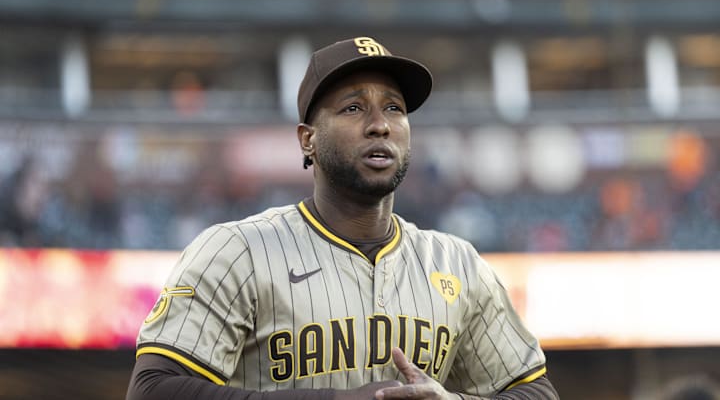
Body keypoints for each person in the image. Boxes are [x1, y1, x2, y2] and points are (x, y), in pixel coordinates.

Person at [126, 36, 559, 400]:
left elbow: (537, 392)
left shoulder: (458, 263)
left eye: (394, 108)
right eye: (353, 108)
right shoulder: (236, 251)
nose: (380, 125)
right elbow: (152, 388)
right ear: (307, 140)